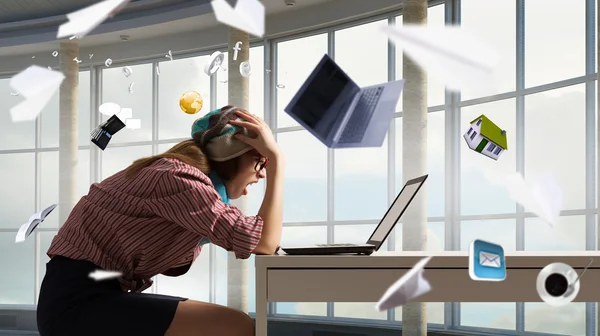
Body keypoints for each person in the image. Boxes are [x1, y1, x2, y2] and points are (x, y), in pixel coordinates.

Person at [36, 106, 285, 336]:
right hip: (78, 303)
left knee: (229, 323)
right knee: (235, 326)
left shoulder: (182, 180)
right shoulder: (179, 177)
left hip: (89, 297)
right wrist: (278, 163)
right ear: (232, 158)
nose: (262, 173)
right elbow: (264, 243)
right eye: (260, 161)